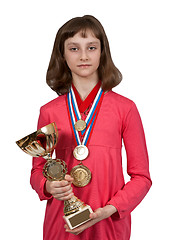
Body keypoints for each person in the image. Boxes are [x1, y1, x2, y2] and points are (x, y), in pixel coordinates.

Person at [30, 15, 152, 240]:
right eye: (74, 48)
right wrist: (47, 186)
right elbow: (37, 170)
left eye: (92, 47)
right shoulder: (48, 111)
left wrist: (110, 209)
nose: (84, 56)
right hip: (62, 225)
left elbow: (142, 177)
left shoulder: (126, 108)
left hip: (109, 224)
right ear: (62, 54)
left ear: (102, 52)